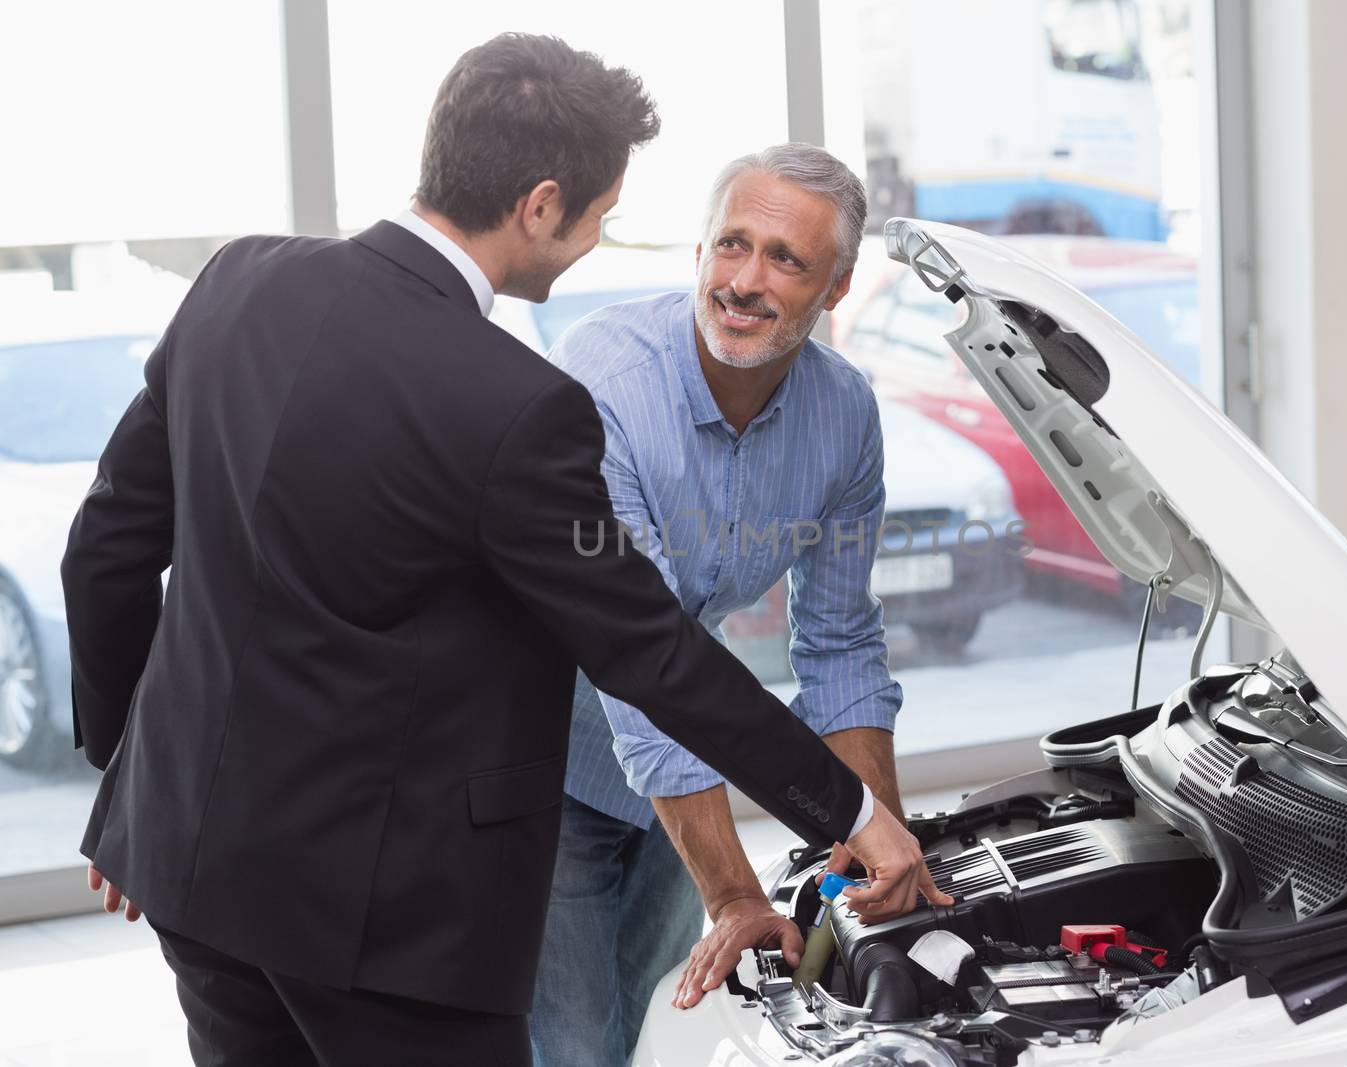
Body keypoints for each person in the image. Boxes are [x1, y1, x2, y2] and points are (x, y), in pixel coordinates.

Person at [60, 34, 933, 1067]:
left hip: (192, 873)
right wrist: (851, 808)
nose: (595, 246)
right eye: (601, 217)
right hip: (385, 921)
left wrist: (130, 778)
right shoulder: (519, 405)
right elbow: (646, 648)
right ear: (540, 205)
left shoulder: (237, 280)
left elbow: (106, 548)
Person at [530, 143, 953, 1067]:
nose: (745, 281)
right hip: (538, 762)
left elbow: (840, 642)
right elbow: (633, 659)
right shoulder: (604, 384)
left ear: (837, 288)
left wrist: (872, 841)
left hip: (683, 767)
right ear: (697, 253)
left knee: (660, 1025)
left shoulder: (843, 415)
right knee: (567, 1047)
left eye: (785, 259)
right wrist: (730, 891)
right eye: (731, 245)